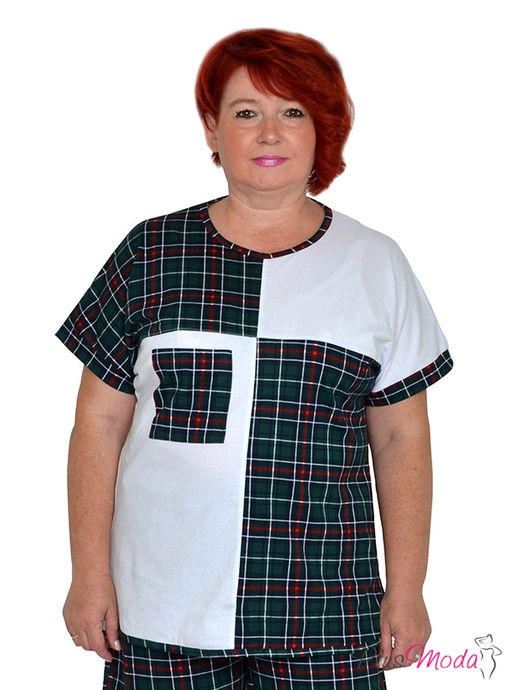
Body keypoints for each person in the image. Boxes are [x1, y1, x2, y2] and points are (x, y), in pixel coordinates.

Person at [57, 28, 453, 690]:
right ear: (212, 129)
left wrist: (407, 589)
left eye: (292, 111)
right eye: (246, 112)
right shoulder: (150, 252)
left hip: (326, 611)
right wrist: (88, 575)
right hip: (156, 608)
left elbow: (401, 437)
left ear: (322, 130)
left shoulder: (375, 263)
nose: (270, 132)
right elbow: (97, 424)